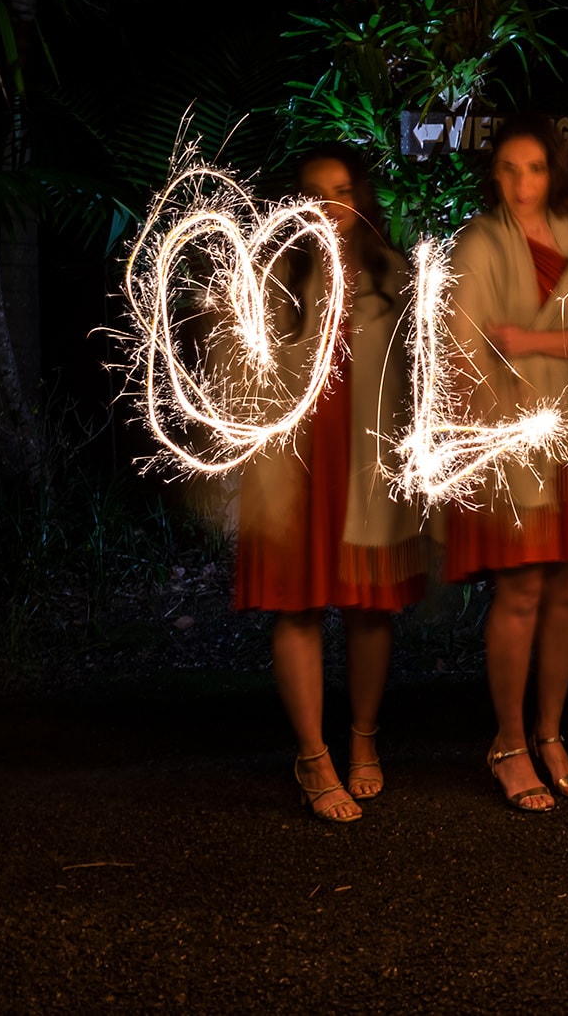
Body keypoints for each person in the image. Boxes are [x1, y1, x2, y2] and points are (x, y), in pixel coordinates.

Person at [232, 143, 423, 824]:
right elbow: (246, 367)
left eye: (342, 190)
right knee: (300, 605)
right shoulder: (277, 274)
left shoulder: (390, 273)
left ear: (360, 198)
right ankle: (313, 757)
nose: (330, 205)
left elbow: (417, 372)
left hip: (365, 459)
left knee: (370, 606)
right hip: (298, 461)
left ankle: (363, 740)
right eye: (316, 193)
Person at [443, 115, 568, 813]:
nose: (523, 183)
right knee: (519, 590)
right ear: (495, 174)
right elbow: (466, 346)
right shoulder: (479, 243)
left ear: (556, 173)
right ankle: (510, 741)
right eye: (511, 169)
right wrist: (524, 368)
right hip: (513, 441)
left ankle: (550, 734)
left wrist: (532, 339)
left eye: (537, 168)